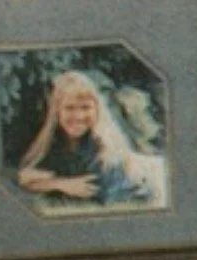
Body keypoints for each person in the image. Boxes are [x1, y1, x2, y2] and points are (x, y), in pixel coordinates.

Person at [17, 70, 156, 209]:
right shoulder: (55, 141)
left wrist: (52, 183)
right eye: (69, 108)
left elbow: (92, 195)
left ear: (97, 110)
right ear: (57, 112)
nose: (78, 116)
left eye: (85, 107)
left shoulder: (104, 150)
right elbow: (26, 178)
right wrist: (61, 184)